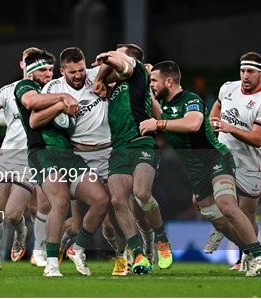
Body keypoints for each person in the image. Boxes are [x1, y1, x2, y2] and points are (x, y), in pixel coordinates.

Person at [139, 60, 261, 277]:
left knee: (227, 205)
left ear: (170, 81)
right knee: (219, 220)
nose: (152, 84)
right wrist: (146, 83)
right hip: (194, 171)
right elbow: (158, 114)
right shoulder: (163, 105)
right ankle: (250, 250)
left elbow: (193, 123)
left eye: (155, 81)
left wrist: (160, 124)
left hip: (215, 159)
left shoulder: (190, 99)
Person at [16, 48, 109, 277]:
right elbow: (34, 116)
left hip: (69, 154)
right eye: (42, 69)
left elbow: (114, 69)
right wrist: (62, 101)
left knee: (101, 199)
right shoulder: (28, 87)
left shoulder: (59, 86)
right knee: (60, 201)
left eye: (49, 69)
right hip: (44, 153)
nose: (46, 73)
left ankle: (77, 249)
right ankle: (51, 263)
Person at [93, 45, 174, 274]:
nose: (112, 55)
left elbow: (121, 64)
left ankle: (162, 239)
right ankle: (138, 254)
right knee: (118, 200)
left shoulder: (137, 73)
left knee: (141, 194)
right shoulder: (113, 84)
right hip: (119, 149)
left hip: (141, 144)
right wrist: (101, 75)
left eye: (118, 52)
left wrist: (109, 57)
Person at [0, 49, 50, 271]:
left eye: (41, 65)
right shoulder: (8, 91)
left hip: (30, 157)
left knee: (13, 213)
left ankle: (21, 232)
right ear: (22, 65)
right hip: (7, 155)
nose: (36, 68)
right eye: (30, 63)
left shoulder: (49, 90)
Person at [207, 52, 261, 270]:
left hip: (250, 165)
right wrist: (213, 122)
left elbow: (257, 139)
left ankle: (249, 255)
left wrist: (230, 128)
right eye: (243, 70)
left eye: (250, 72)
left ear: (260, 74)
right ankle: (229, 232)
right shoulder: (228, 87)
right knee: (204, 201)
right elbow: (216, 109)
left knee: (246, 215)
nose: (245, 75)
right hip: (224, 159)